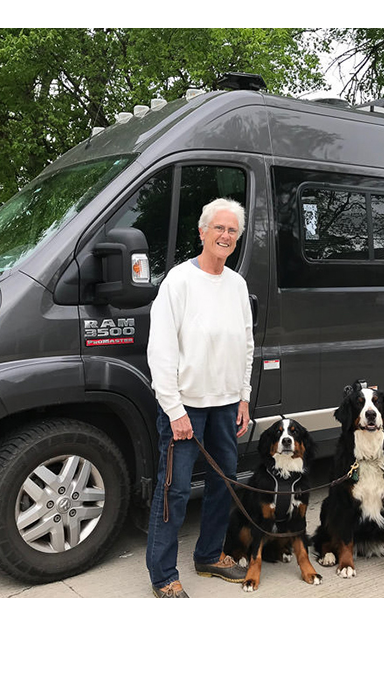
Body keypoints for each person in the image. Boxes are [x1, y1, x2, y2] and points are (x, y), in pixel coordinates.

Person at [145, 197, 255, 598]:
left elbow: (246, 342)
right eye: (219, 228)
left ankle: (209, 555)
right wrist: (174, 409)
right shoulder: (178, 281)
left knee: (223, 484)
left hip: (226, 404)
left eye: (232, 230)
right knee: (173, 490)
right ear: (202, 231)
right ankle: (163, 575)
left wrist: (242, 397)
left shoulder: (237, 284)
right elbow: (160, 351)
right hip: (186, 405)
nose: (225, 236)